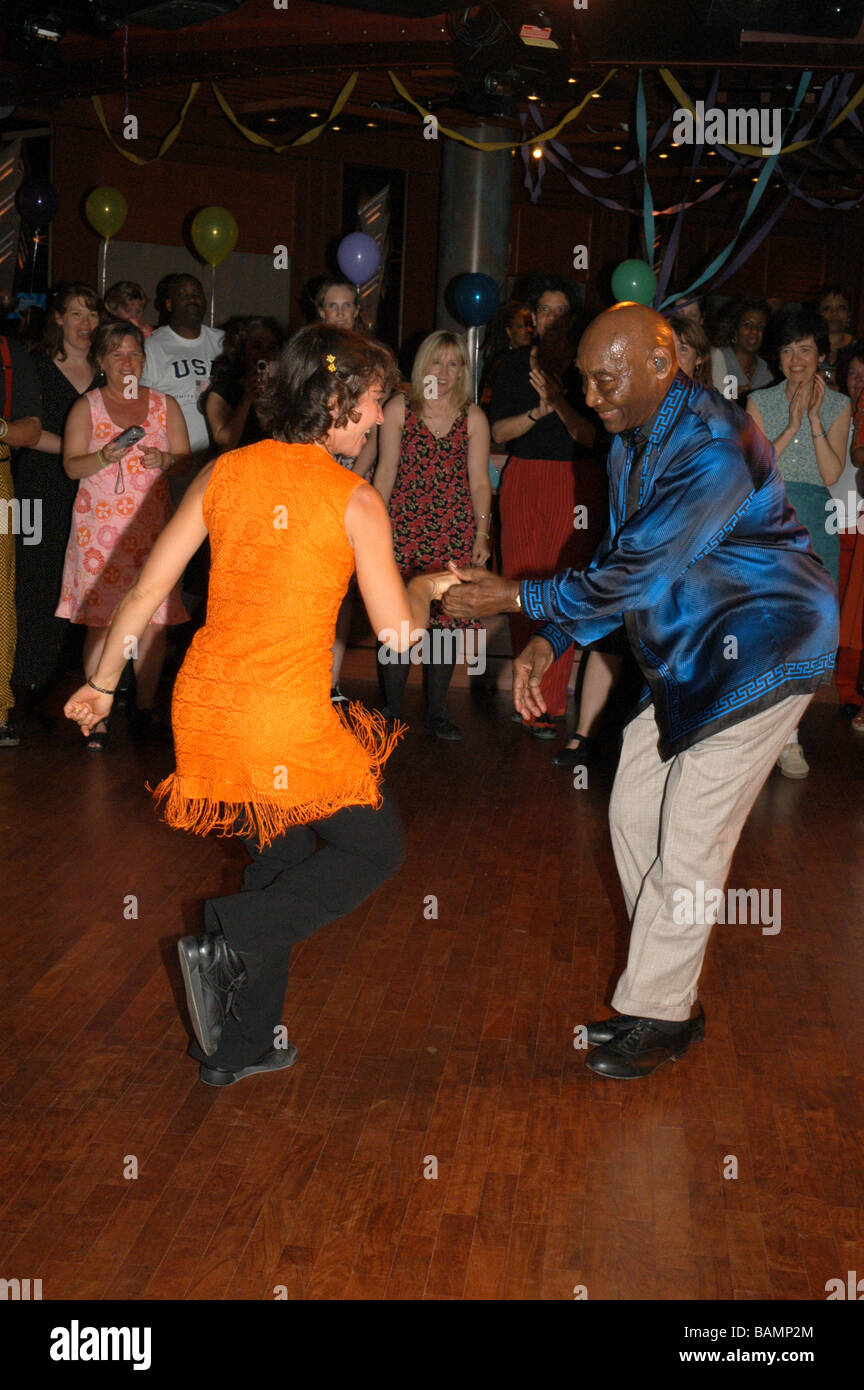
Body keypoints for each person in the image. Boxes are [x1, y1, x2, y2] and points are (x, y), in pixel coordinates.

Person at [444, 303, 838, 1080]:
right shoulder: (633, 440)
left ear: (664, 365)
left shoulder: (715, 443)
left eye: (604, 378)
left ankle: (659, 1013)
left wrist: (516, 602)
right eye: (583, 380)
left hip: (763, 646)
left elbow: (638, 572)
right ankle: (667, 989)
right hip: (688, 650)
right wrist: (551, 639)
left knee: (691, 834)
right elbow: (619, 561)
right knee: (631, 810)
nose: (590, 397)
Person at [63, 324, 462, 1087]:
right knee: (374, 849)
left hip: (207, 711)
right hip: (282, 719)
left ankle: (234, 1049)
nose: (380, 420)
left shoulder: (224, 472)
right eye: (374, 403)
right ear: (337, 398)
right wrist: (424, 585)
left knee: (277, 864)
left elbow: (147, 592)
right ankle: (234, 935)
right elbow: (399, 639)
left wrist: (101, 685)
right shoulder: (354, 498)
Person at [56, 319, 191, 748]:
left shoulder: (164, 405)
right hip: (100, 535)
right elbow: (71, 467)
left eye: (134, 354)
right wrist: (103, 455)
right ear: (101, 361)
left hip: (153, 529)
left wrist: (165, 461)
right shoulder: (87, 406)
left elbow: (187, 459)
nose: (127, 363)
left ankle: (145, 707)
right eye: (117, 355)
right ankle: (97, 712)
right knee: (101, 622)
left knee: (154, 624)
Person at [488, 273, 600, 739]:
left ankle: (548, 704)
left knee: (563, 587)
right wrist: (537, 411)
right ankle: (526, 695)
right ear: (532, 318)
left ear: (569, 319)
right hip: (523, 479)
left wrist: (558, 400)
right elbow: (498, 433)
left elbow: (592, 436)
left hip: (573, 482)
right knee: (518, 584)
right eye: (544, 310)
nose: (551, 317)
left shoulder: (584, 366)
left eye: (560, 310)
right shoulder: (512, 366)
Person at [373, 330, 491, 739]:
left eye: (453, 363)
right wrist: (374, 528)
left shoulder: (473, 417)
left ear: (463, 371)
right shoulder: (398, 409)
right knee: (395, 616)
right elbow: (385, 471)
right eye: (437, 362)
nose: (443, 371)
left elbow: (479, 482)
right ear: (423, 365)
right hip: (403, 528)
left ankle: (436, 711)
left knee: (444, 621)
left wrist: (482, 532)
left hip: (454, 532)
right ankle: (389, 709)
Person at [747, 307, 850, 777]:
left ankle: (788, 734)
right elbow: (756, 469)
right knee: (767, 629)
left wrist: (812, 419)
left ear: (821, 354)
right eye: (787, 349)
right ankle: (772, 737)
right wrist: (789, 423)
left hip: (815, 520)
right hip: (768, 518)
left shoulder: (840, 405)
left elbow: (831, 474)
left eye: (804, 349)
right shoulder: (758, 400)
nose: (795, 358)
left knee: (806, 632)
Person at [11, 284, 101, 704]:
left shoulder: (106, 371)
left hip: (89, 491)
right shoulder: (36, 365)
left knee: (78, 582)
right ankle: (22, 676)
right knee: (32, 577)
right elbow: (25, 434)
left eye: (92, 315)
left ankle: (60, 678)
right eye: (77, 314)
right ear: (59, 319)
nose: (86, 324)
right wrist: (78, 448)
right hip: (35, 489)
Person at [0, 335, 42, 745]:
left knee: (0, 593)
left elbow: (30, 431)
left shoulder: (11, 353)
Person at [141, 275, 223, 464]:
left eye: (196, 294)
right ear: (169, 304)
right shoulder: (151, 346)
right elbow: (141, 403)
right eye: (182, 294)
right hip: (175, 459)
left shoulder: (222, 342)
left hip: (219, 458)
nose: (191, 299)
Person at [202, 315, 285, 453]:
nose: (264, 354)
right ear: (242, 352)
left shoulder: (285, 390)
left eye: (272, 347)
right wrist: (247, 400)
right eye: (256, 347)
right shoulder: (224, 390)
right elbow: (226, 443)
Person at [835, 343, 864, 728]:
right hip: (838, 515)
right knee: (843, 608)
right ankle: (843, 689)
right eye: (855, 374)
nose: (860, 382)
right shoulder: (835, 411)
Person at [710, 299, 773, 404]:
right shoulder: (717, 357)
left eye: (761, 327)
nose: (754, 331)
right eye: (747, 325)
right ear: (735, 331)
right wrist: (731, 399)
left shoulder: (765, 370)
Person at [479, 300, 533, 407]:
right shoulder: (501, 364)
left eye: (530, 325)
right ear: (509, 331)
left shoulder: (535, 358)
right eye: (521, 326)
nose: (528, 330)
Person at [818, 284, 854, 387]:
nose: (834, 313)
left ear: (848, 316)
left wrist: (826, 375)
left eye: (841, 308)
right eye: (827, 308)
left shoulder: (858, 349)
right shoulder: (808, 348)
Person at [669, 313, 712, 387]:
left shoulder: (707, 397)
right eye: (668, 347)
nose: (673, 356)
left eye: (683, 349)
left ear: (699, 358)